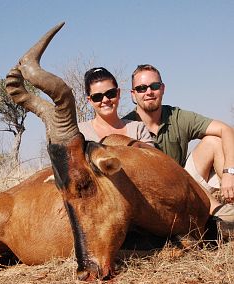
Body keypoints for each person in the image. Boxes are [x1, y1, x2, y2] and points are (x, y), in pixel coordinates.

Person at [123, 64, 234, 222]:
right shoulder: (127, 126)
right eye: (141, 88)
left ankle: (227, 201)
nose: (148, 92)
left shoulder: (176, 116)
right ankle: (217, 212)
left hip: (187, 183)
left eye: (154, 86)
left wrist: (230, 172)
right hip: (156, 197)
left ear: (162, 88)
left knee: (214, 141)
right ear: (133, 94)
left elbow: (226, 129)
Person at [78, 67, 154, 146]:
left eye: (110, 93)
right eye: (97, 97)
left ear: (118, 93)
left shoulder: (138, 129)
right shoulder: (80, 132)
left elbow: (153, 157)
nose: (105, 100)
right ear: (90, 100)